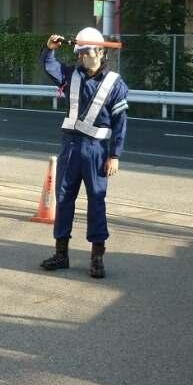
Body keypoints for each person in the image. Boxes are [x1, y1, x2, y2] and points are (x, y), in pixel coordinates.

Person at [39, 27, 128, 278]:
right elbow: (49, 67)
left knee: (96, 201)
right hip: (70, 148)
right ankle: (61, 254)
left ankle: (97, 258)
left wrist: (115, 156)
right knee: (64, 199)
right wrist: (49, 48)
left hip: (96, 151)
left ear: (100, 51)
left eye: (86, 52)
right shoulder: (71, 74)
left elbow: (121, 122)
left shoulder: (115, 83)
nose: (81, 57)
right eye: (79, 53)